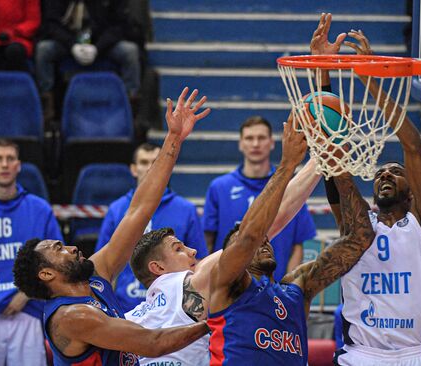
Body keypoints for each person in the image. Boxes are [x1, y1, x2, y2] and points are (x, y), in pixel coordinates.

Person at [12, 87, 211, 364]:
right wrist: (217, 319)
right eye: (58, 249)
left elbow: (139, 211)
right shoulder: (72, 317)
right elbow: (152, 343)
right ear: (46, 274)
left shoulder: (95, 276)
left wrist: (174, 138)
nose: (70, 248)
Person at [313, 14, 421, 365]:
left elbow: (414, 147)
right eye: (380, 172)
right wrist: (324, 72)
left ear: (412, 191)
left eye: (395, 172)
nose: (385, 174)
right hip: (362, 355)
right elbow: (331, 162)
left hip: (414, 354)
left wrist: (368, 78)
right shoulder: (357, 228)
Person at [207, 114, 376, 365]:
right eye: (252, 242)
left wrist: (336, 163)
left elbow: (360, 239)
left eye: (265, 239)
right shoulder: (229, 283)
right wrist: (288, 165)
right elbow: (248, 237)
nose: (261, 241)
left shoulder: (296, 288)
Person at [125, 155, 323, 366]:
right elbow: (262, 228)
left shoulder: (129, 318)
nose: (192, 251)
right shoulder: (186, 283)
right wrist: (320, 159)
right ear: (158, 267)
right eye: (178, 249)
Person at [94, 142, 207, 312]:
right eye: (144, 162)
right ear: (133, 169)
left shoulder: (186, 209)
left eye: (155, 162)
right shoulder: (117, 209)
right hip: (126, 307)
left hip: (174, 309)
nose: (150, 168)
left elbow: (198, 261)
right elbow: (105, 266)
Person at [203, 115, 316, 281]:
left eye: (261, 138)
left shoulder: (291, 188)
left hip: (273, 287)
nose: (255, 144)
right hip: (230, 286)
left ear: (271, 143)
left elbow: (298, 246)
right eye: (249, 138)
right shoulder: (219, 187)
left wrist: (287, 287)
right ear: (241, 144)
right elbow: (208, 243)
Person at [0, 138, 63, 365]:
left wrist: (26, 293)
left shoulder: (39, 209)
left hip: (28, 311)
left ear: (19, 165)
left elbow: (56, 261)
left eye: (10, 158)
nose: (4, 164)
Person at [35, 0, 141, 121]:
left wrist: (98, 48)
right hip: (67, 42)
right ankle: (47, 112)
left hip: (102, 43)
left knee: (129, 52)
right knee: (44, 50)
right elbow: (51, 25)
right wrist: (72, 45)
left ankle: (131, 113)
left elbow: (120, 26)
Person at [0, 0, 40, 72]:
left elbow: (33, 21)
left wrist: (14, 32)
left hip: (19, 39)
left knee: (14, 51)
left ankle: (17, 81)